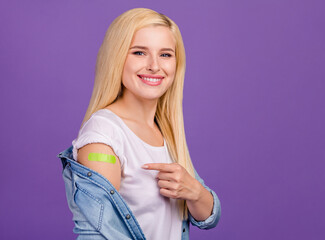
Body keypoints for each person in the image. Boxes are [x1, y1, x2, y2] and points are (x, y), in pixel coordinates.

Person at [57, 7, 221, 240]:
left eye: (165, 54)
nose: (155, 65)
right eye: (139, 53)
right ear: (117, 57)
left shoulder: (166, 130)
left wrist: (195, 192)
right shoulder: (104, 134)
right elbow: (96, 235)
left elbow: (209, 216)